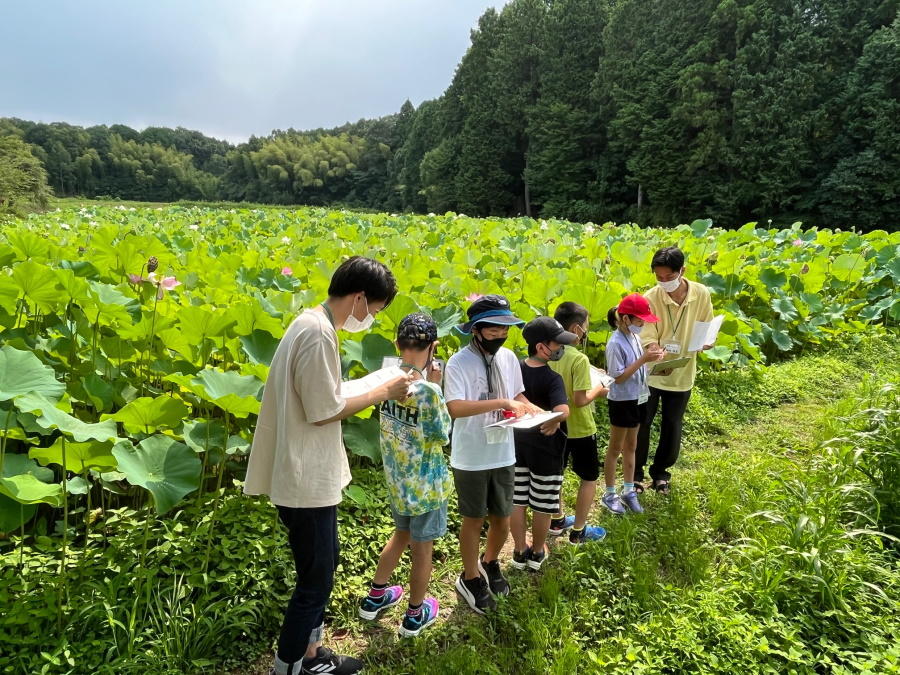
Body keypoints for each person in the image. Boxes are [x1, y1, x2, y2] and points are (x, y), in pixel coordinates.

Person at [244, 256, 410, 675]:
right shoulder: (319, 334)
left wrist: (376, 382)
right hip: (305, 478)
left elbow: (325, 391)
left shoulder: (310, 322)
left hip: (306, 470)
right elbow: (324, 409)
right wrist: (383, 392)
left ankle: (313, 655)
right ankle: (287, 668)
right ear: (358, 298)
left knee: (324, 564)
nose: (370, 318)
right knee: (314, 582)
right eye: (373, 310)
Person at [443, 294, 538, 614]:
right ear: (477, 329)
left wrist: (534, 410)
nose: (500, 335)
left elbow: (516, 394)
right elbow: (455, 408)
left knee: (502, 517)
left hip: (503, 451)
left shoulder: (509, 358)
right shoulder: (458, 362)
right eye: (494, 329)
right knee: (473, 519)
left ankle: (490, 562)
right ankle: (469, 577)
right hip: (470, 455)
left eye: (505, 329)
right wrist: (501, 404)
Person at [358, 313, 451, 637]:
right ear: (434, 347)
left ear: (397, 344)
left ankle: (375, 596)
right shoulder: (428, 390)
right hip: (425, 486)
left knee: (400, 535)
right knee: (422, 548)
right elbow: (442, 435)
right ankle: (415, 614)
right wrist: (436, 386)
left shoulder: (386, 379)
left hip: (397, 480)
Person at [635, 246, 714, 495]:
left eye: (669, 277)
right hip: (653, 371)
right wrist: (653, 346)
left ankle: (661, 474)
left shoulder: (700, 294)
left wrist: (707, 341)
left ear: (682, 271)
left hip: (683, 369)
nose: (664, 283)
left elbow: (706, 325)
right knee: (642, 423)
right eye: (659, 278)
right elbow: (646, 333)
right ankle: (635, 475)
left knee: (673, 423)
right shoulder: (651, 297)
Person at [509, 317, 574, 571]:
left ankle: (518, 549)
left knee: (518, 500)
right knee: (542, 503)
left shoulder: (514, 371)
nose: (560, 349)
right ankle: (536, 551)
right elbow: (563, 411)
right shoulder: (552, 378)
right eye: (556, 344)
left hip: (516, 445)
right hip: (547, 449)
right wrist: (555, 420)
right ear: (540, 347)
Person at [546, 302, 609, 544]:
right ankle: (579, 531)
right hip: (580, 427)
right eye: (586, 326)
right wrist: (600, 388)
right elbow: (581, 400)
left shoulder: (547, 353)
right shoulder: (578, 358)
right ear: (575, 328)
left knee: (555, 475)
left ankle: (557, 519)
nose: (586, 331)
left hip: (555, 425)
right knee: (589, 477)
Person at [602, 294, 664, 516]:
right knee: (615, 448)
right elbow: (617, 377)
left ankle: (629, 490)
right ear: (626, 319)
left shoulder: (635, 338)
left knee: (632, 446)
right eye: (639, 320)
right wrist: (643, 361)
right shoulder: (615, 343)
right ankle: (609, 493)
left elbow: (638, 368)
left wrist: (654, 363)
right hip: (622, 401)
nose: (643, 324)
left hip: (639, 396)